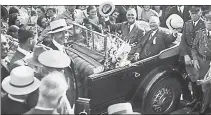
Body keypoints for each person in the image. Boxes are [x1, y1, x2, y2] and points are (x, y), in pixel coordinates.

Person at [179, 6, 206, 110]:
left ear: (200, 13)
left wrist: (195, 58)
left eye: (196, 13)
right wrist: (185, 55)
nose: (193, 15)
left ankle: (202, 103)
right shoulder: (187, 24)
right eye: (192, 13)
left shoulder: (205, 24)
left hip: (200, 57)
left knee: (201, 80)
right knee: (193, 79)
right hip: (189, 57)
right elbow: (183, 41)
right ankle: (195, 99)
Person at [191, 13, 211, 114]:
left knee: (207, 86)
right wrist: (194, 59)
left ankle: (205, 106)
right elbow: (194, 47)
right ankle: (197, 102)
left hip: (209, 64)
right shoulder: (200, 33)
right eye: (207, 21)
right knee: (197, 82)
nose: (209, 23)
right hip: (199, 62)